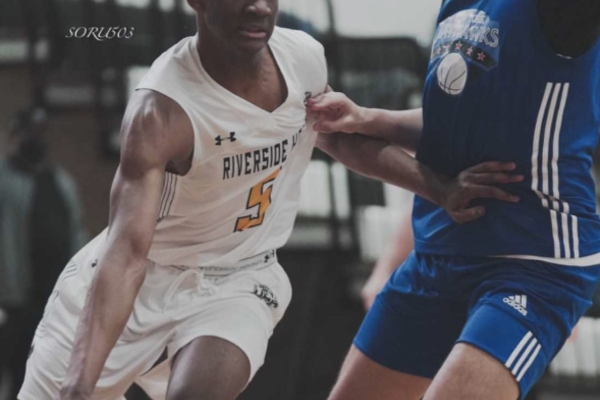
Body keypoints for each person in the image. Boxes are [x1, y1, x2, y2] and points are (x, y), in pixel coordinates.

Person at [18, 1, 522, 400]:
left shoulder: (302, 58)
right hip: (138, 276)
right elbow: (127, 253)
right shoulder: (162, 110)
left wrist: (439, 188)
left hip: (239, 277)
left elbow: (340, 138)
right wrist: (78, 383)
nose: (259, 6)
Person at [308, 1, 600, 400]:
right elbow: (452, 123)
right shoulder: (458, 6)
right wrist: (369, 118)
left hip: (532, 260)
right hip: (439, 253)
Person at [0, 108, 87, 399]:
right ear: (16, 135)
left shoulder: (61, 181)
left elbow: (76, 231)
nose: (36, 138)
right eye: (29, 132)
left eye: (40, 132)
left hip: (56, 300)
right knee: (17, 374)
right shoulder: (4, 180)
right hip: (14, 301)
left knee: (52, 373)